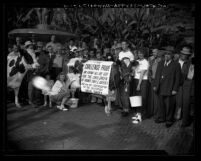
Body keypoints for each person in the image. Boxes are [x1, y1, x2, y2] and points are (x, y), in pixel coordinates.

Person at [153, 46, 181, 128]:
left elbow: (178, 78)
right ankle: (162, 118)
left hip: (170, 88)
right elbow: (157, 75)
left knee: (169, 105)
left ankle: (169, 120)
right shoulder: (161, 63)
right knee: (161, 104)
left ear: (172, 55)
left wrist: (175, 89)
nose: (166, 56)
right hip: (160, 88)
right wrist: (155, 85)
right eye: (165, 54)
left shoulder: (176, 65)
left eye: (169, 54)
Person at [132, 48, 150, 123]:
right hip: (136, 80)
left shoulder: (145, 62)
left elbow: (142, 74)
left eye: (141, 53)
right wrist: (133, 69)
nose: (140, 54)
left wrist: (139, 84)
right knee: (137, 98)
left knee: (142, 98)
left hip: (142, 81)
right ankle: (137, 114)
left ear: (144, 54)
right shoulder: (137, 61)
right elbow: (134, 72)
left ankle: (141, 116)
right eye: (139, 53)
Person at [148, 48, 163, 118]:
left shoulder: (161, 60)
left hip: (158, 80)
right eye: (153, 52)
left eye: (155, 52)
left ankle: (157, 112)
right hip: (152, 79)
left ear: (158, 53)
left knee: (157, 97)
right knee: (152, 96)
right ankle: (152, 111)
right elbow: (150, 69)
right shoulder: (151, 59)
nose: (154, 54)